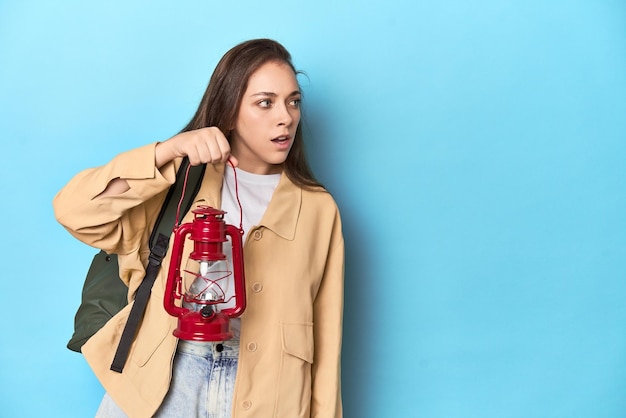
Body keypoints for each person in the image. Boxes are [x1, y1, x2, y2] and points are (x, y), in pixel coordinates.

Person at [53, 39, 344, 418]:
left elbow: (326, 339)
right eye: (265, 102)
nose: (285, 117)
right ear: (229, 110)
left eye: (293, 101)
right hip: (168, 377)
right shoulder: (178, 181)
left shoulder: (319, 210)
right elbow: (76, 211)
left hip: (272, 393)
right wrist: (167, 151)